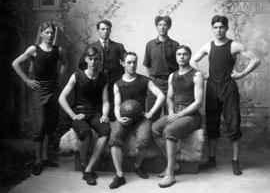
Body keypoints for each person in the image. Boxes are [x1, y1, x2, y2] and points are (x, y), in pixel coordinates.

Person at [190, 15, 261, 175]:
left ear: (226, 28)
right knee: (212, 124)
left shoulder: (234, 45)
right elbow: (192, 61)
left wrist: (241, 74)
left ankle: (235, 161)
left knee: (233, 124)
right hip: (212, 88)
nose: (218, 30)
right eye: (215, 27)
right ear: (212, 28)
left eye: (221, 27)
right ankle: (212, 159)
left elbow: (255, 60)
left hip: (228, 87)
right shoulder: (208, 47)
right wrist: (204, 74)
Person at [12, 22, 67, 175]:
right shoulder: (33, 49)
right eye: (47, 32)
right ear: (41, 33)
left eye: (52, 33)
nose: (50, 36)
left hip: (53, 89)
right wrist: (27, 81)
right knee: (39, 125)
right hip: (39, 90)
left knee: (50, 124)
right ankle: (37, 161)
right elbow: (15, 63)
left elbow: (65, 64)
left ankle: (45, 157)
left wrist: (59, 80)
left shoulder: (58, 50)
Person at [108, 52, 165, 189]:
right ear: (123, 63)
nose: (132, 65)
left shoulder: (144, 80)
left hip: (141, 119)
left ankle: (137, 166)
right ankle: (120, 175)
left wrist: (151, 112)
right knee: (114, 140)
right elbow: (116, 105)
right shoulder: (118, 84)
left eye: (134, 62)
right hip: (124, 119)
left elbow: (161, 95)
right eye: (129, 62)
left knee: (144, 140)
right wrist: (119, 118)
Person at [152, 45, 204, 187]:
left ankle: (170, 174)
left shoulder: (197, 75)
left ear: (189, 56)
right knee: (155, 128)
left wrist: (179, 115)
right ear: (176, 57)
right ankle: (173, 164)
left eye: (185, 54)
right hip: (175, 113)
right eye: (179, 54)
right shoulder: (172, 76)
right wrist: (170, 112)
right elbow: (169, 97)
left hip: (192, 116)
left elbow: (198, 102)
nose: (181, 57)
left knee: (169, 130)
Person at [58, 47, 111, 185]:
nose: (93, 62)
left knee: (106, 131)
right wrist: (73, 115)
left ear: (100, 60)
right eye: (91, 59)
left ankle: (88, 169)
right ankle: (83, 163)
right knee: (84, 132)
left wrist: (105, 114)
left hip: (96, 113)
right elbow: (62, 98)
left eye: (96, 59)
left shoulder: (103, 77)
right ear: (86, 59)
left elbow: (105, 100)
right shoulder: (77, 75)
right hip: (79, 113)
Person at [80, 19, 126, 122]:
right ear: (98, 30)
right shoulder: (91, 46)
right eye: (103, 29)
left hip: (113, 84)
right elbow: (82, 65)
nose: (105, 31)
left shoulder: (118, 46)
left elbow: (126, 61)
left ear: (110, 31)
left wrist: (120, 73)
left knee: (113, 113)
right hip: (97, 84)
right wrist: (92, 76)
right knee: (97, 112)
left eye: (108, 29)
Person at [143, 15, 180, 121]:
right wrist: (152, 82)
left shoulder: (175, 45)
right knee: (152, 115)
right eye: (160, 25)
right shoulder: (150, 45)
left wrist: (173, 82)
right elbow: (147, 65)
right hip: (155, 84)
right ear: (156, 27)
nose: (162, 27)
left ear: (169, 27)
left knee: (171, 116)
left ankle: (168, 136)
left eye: (165, 25)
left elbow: (179, 67)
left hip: (171, 83)